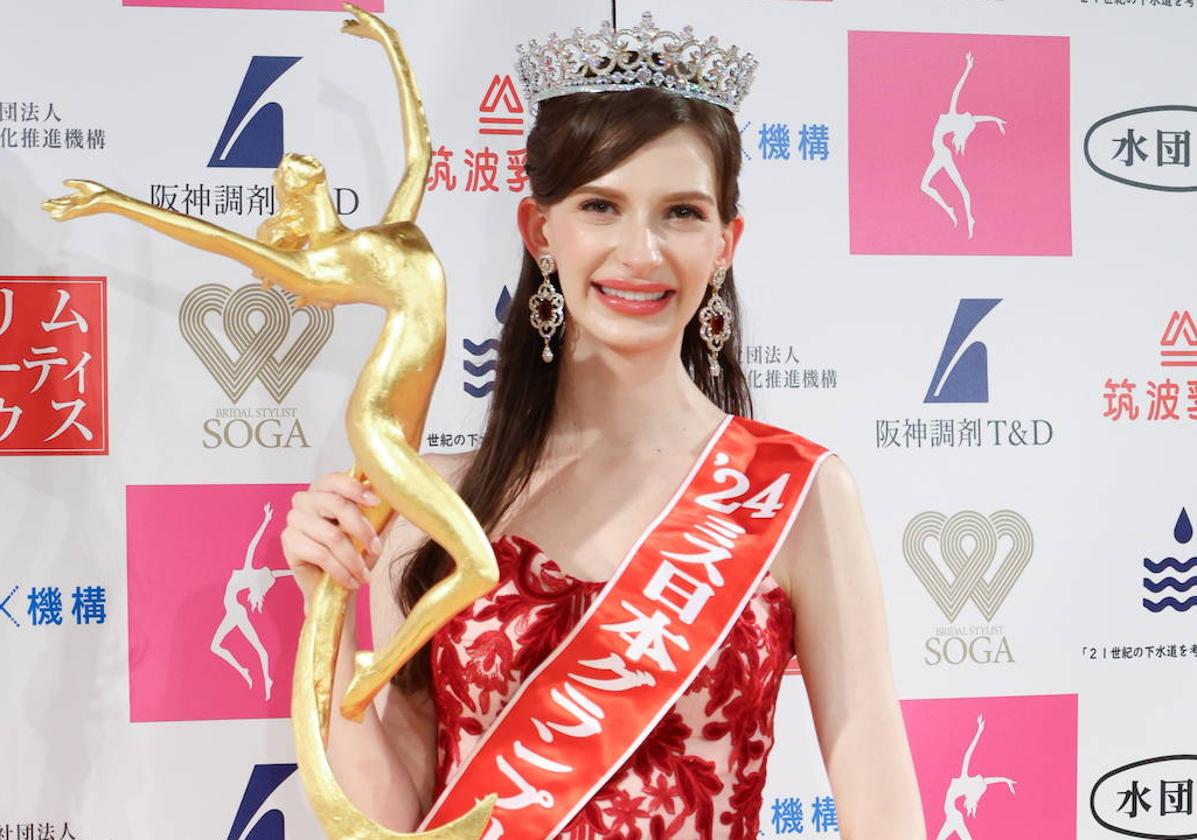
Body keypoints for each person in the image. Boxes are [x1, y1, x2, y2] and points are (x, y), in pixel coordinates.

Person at [281, 11, 924, 839]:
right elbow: (389, 820)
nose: (641, 251)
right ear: (540, 231)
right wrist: (326, 614)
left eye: (681, 213)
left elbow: (879, 793)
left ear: (726, 244)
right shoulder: (439, 500)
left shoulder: (794, 494)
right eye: (601, 205)